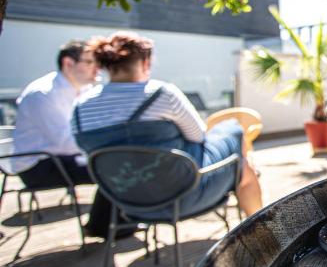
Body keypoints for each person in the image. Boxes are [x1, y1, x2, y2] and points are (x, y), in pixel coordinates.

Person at [72, 32, 263, 218]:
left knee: (236, 152)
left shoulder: (80, 108)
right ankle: (259, 228)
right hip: (185, 194)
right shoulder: (161, 94)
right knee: (235, 134)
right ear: (145, 62)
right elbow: (198, 136)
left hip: (128, 202)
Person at [12, 39, 116, 236]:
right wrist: (105, 144)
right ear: (68, 63)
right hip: (39, 166)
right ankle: (103, 225)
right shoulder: (43, 94)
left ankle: (114, 222)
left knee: (115, 164)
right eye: (90, 62)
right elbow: (65, 142)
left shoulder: (85, 90)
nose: (98, 68)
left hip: (64, 157)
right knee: (111, 168)